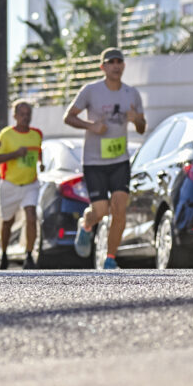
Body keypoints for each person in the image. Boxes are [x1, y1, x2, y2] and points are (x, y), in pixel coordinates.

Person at [65, 48, 146, 270]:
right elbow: (68, 117)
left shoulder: (132, 94)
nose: (116, 65)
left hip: (119, 160)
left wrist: (135, 119)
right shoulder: (90, 91)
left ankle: (110, 258)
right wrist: (90, 125)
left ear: (124, 66)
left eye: (120, 61)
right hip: (94, 161)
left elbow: (142, 127)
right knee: (100, 211)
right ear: (103, 67)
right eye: (111, 62)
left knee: (120, 208)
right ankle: (86, 224)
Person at [0, 100, 44, 270]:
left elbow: (39, 152)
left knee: (31, 215)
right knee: (7, 221)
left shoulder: (37, 134)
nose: (25, 118)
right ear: (14, 116)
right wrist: (15, 154)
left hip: (30, 184)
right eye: (21, 114)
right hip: (10, 184)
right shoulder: (6, 135)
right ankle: (4, 254)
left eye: (28, 114)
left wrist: (41, 163)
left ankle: (29, 256)